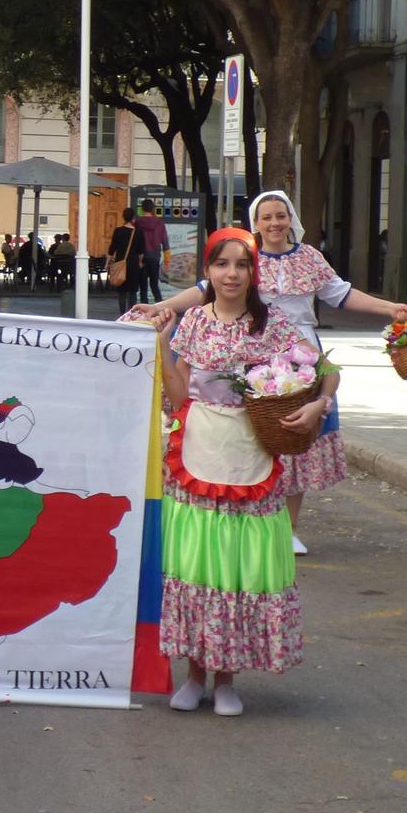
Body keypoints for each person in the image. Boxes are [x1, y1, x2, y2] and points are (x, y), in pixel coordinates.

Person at [133, 191, 407, 554]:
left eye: (280, 215)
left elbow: (342, 295)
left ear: (290, 219)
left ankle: (287, 527)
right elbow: (201, 294)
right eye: (265, 217)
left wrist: (388, 308)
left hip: (294, 359)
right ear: (255, 223)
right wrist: (158, 308)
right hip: (234, 384)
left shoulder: (303, 269)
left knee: (291, 441)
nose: (274, 223)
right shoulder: (217, 293)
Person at [146, 229, 327, 717]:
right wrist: (163, 346)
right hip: (199, 452)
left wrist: (318, 407)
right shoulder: (193, 324)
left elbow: (324, 370)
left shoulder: (273, 326)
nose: (231, 274)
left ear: (254, 272)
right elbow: (182, 396)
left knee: (236, 567)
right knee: (198, 565)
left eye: (241, 265)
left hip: (252, 455)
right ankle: (194, 674)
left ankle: (226, 679)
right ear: (207, 272)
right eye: (222, 264)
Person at [131, 199, 169, 304]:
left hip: (141, 257)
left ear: (142, 209)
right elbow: (165, 242)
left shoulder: (137, 223)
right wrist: (167, 262)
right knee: (154, 285)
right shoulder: (160, 223)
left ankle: (144, 309)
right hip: (155, 257)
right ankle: (160, 305)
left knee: (143, 285)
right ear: (153, 209)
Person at [107, 215, 141, 316]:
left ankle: (122, 314)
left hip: (121, 264)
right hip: (134, 264)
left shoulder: (118, 231)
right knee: (133, 291)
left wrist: (107, 263)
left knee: (122, 292)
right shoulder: (138, 232)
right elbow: (141, 251)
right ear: (133, 219)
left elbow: (112, 248)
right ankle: (132, 314)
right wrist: (140, 263)